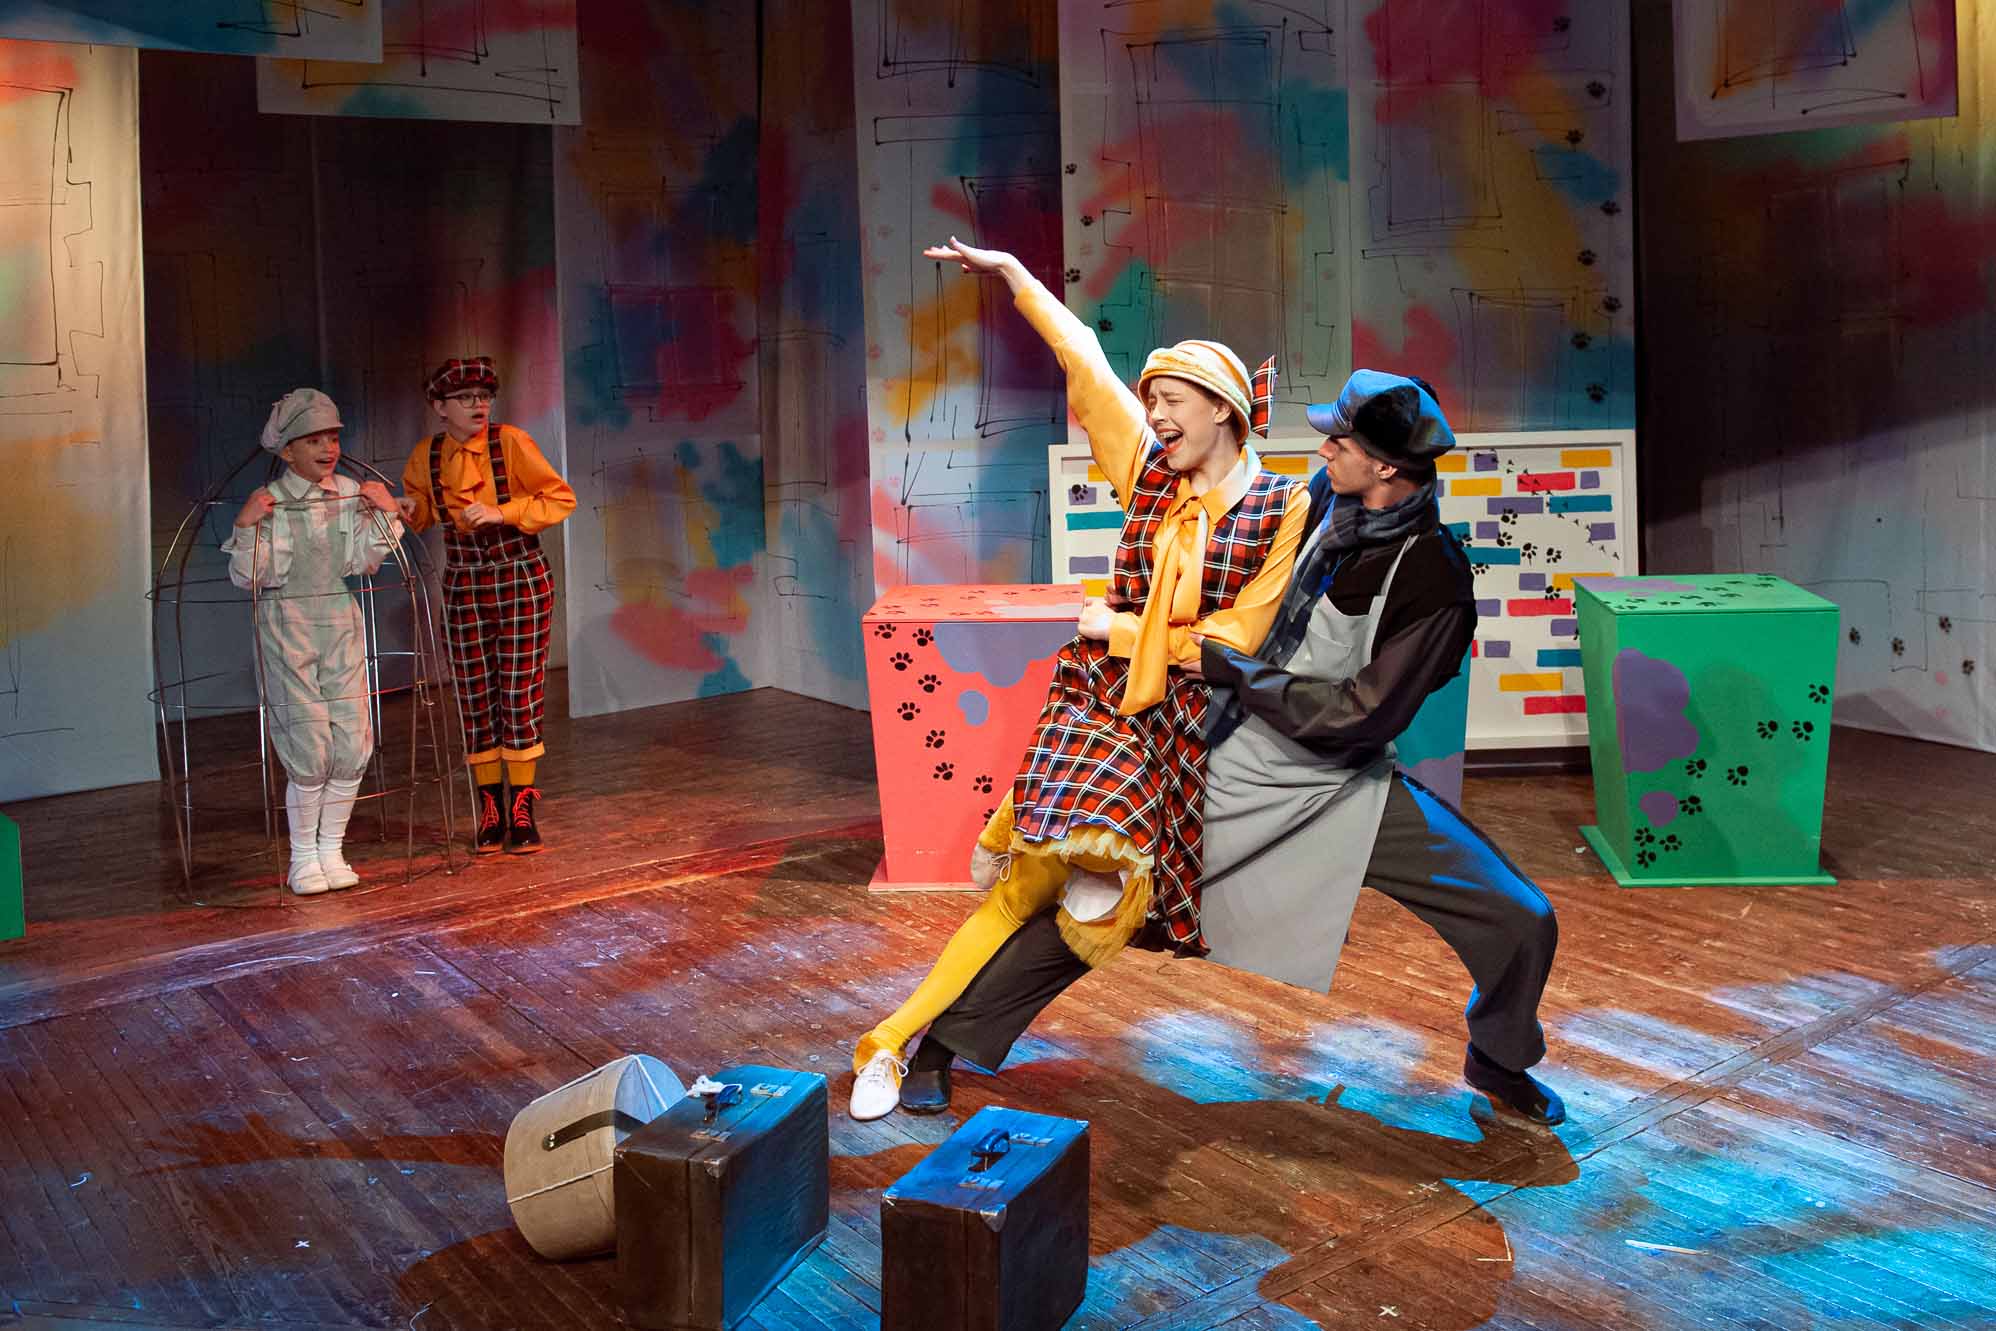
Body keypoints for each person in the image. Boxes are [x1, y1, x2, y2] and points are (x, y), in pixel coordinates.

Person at [884, 370, 1568, 1127]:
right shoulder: (1320, 503)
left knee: (1519, 916)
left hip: (1338, 781)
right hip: (1234, 758)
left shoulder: (1433, 575)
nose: (1324, 449)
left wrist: (1228, 666)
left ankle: (1500, 1056)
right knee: (1111, 902)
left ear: (1385, 467)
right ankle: (944, 1044)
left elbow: (1361, 715)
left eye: (1340, 441)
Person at [848, 237, 1314, 1119]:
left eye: (1171, 401)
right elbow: (1084, 360)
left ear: (1223, 408)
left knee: (1092, 908)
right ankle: (897, 1043)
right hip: (1101, 705)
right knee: (1031, 891)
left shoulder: (1280, 506)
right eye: (1151, 402)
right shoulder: (1148, 472)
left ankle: (952, 986)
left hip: (1191, 725)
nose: (1155, 415)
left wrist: (1124, 626)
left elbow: (1238, 637)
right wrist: (1016, 277)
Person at [224, 389, 404, 895]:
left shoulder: (347, 492)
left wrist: (385, 512)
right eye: (313, 440)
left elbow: (364, 560)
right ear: (287, 450)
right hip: (289, 624)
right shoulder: (272, 501)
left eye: (332, 438)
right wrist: (246, 526)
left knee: (351, 735)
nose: (328, 449)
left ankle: (332, 850)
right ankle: (303, 857)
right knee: (308, 737)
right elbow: (250, 576)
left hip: (338, 620)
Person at [397, 357, 575, 854]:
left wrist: (503, 511)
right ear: (440, 407)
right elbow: (422, 511)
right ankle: (490, 810)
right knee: (475, 697)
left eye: (484, 396)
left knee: (518, 693)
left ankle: (522, 810)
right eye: (465, 398)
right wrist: (408, 509)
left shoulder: (510, 442)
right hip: (464, 582)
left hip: (519, 575)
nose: (478, 405)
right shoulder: (428, 454)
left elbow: (560, 498)